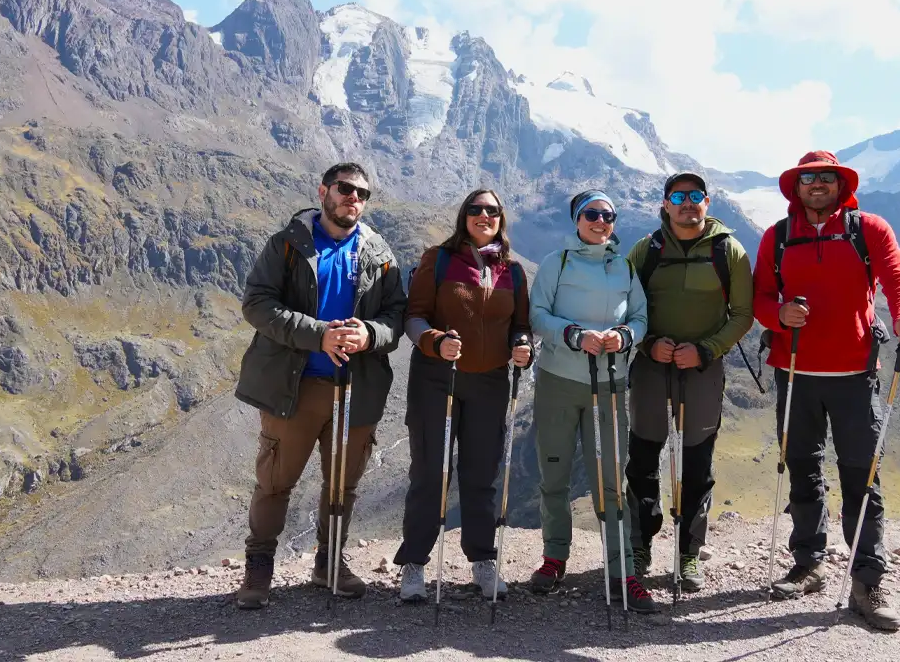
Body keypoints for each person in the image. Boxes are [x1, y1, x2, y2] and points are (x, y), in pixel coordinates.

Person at [753, 150, 900, 631]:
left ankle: (867, 581)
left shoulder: (869, 229)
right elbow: (759, 296)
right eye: (809, 179)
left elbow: (895, 277)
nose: (818, 184)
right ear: (796, 187)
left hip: (854, 375)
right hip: (794, 370)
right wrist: (777, 315)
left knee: (861, 478)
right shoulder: (778, 237)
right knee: (802, 469)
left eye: (827, 178)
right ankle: (809, 563)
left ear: (841, 185)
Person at [232, 161, 408, 609]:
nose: (354, 198)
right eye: (345, 189)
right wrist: (319, 335)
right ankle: (259, 567)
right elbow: (256, 304)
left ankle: (329, 563)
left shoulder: (380, 252)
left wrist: (370, 334)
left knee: (342, 485)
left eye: (362, 194)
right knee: (275, 480)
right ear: (324, 190)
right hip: (295, 387)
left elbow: (395, 317)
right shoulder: (288, 244)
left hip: (356, 388)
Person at [392, 188, 534, 602]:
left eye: (492, 210)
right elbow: (413, 316)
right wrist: (435, 341)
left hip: (490, 382)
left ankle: (483, 560)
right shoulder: (437, 259)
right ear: (464, 216)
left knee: (481, 476)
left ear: (501, 218)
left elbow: (520, 325)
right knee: (430, 474)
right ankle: (414, 565)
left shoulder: (513, 270)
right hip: (438, 379)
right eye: (476, 209)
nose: (484, 215)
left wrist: (522, 345)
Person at [527, 189, 657, 613]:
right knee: (555, 474)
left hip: (610, 383)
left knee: (610, 483)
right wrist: (574, 335)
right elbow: (538, 315)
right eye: (591, 214)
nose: (600, 222)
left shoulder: (624, 267)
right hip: (559, 381)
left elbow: (640, 317)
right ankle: (554, 558)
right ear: (577, 220)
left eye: (608, 215)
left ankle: (622, 574)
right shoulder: (556, 263)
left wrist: (624, 337)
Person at [624, 172, 754, 592]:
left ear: (707, 202)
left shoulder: (728, 251)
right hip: (651, 365)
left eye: (694, 195)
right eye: (678, 196)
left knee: (697, 460)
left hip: (702, 368)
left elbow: (742, 314)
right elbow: (625, 308)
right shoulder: (646, 250)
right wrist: (646, 345)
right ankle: (640, 545)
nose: (687, 203)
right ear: (665, 204)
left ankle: (689, 553)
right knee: (643, 456)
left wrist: (706, 350)